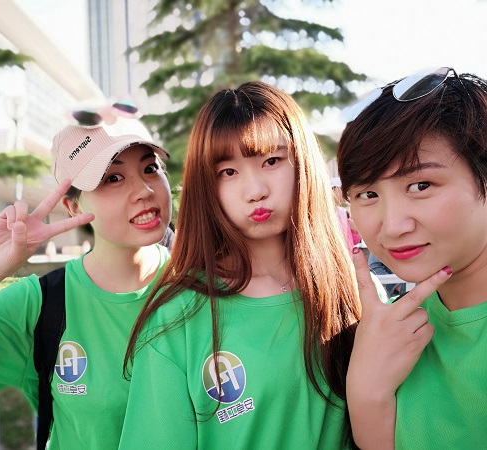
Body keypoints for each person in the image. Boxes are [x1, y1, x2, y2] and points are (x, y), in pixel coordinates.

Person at [0, 113, 173, 448]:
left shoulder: (208, 285)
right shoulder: (42, 304)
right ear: (72, 206)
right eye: (113, 178)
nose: (144, 190)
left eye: (150, 168)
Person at [118, 81, 372, 449]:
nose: (255, 191)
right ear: (207, 186)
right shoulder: (177, 318)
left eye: (271, 161)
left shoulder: (355, 290)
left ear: (303, 163)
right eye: (228, 172)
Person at [337, 67, 487, 448]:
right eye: (368, 194)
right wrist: (366, 393)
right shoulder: (389, 330)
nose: (393, 226)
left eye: (421, 185)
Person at [331, 176, 361, 252]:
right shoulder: (323, 214)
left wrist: (355, 230)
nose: (344, 193)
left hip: (345, 254)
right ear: (332, 190)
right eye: (341, 189)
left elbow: (354, 241)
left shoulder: (344, 213)